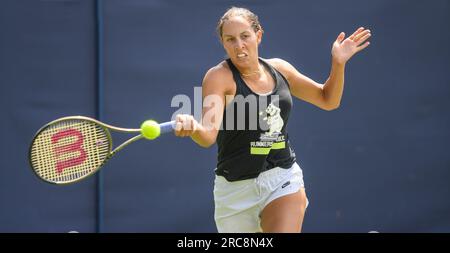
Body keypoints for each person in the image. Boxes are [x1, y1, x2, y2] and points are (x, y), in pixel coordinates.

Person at [173, 7, 371, 232]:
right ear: (223, 43)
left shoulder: (281, 69)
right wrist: (193, 127)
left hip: (282, 178)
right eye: (231, 39)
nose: (239, 46)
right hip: (234, 191)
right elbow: (208, 135)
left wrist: (338, 64)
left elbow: (328, 99)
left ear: (258, 35)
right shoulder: (218, 77)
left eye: (245, 36)